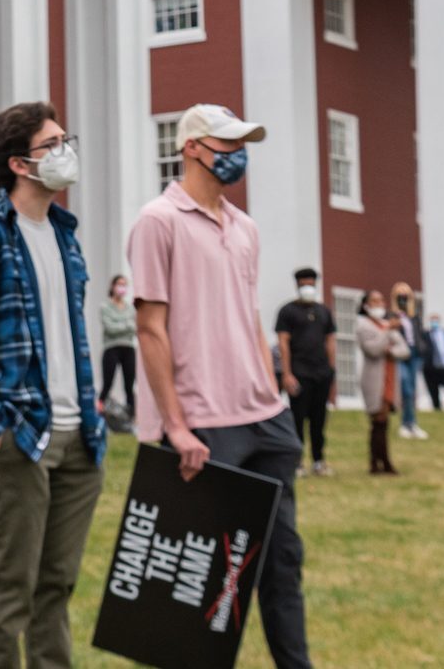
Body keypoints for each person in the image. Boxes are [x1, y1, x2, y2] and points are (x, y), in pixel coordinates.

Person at [128, 103, 312, 668]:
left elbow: (249, 316)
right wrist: (175, 426)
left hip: (265, 418)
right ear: (191, 148)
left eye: (242, 144)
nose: (237, 155)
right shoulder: (157, 221)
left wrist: (274, 394)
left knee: (282, 565)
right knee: (203, 582)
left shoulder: (246, 228)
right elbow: (149, 329)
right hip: (204, 423)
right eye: (226, 144)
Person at [0, 101, 107, 669]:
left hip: (79, 436)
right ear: (18, 163)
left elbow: (70, 337)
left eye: (67, 138)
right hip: (19, 438)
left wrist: (92, 410)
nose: (67, 151)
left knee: (56, 585)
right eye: (53, 143)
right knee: (12, 586)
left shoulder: (66, 237)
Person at [275, 268, 337, 475]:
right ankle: (298, 462)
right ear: (298, 285)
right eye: (304, 285)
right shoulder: (287, 311)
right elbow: (283, 342)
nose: (307, 288)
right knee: (298, 419)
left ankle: (319, 460)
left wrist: (331, 369)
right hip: (299, 373)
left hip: (321, 373)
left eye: (311, 284)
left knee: (319, 420)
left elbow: (330, 340)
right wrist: (287, 373)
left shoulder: (323, 311)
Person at [355, 290, 409, 476]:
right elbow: (373, 349)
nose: (379, 304)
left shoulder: (386, 324)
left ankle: (382, 461)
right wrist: (387, 333)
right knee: (377, 420)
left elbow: (404, 350)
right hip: (374, 380)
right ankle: (378, 463)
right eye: (374, 301)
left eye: (381, 300)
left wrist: (390, 350)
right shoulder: (363, 325)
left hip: (389, 378)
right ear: (366, 304)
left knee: (384, 422)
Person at [97, 275, 138, 424]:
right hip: (111, 349)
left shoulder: (130, 308)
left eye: (125, 285)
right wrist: (127, 324)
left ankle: (131, 418)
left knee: (129, 385)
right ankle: (98, 414)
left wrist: (120, 324)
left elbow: (135, 327)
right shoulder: (105, 306)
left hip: (128, 348)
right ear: (113, 286)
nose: (122, 288)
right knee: (107, 384)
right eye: (119, 284)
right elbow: (110, 328)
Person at [391, 282, 427, 440]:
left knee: (412, 391)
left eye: (405, 295)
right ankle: (406, 424)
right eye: (400, 295)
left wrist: (422, 349)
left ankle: (412, 424)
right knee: (406, 388)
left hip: (414, 354)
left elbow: (420, 335)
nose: (403, 298)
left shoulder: (414, 317)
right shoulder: (392, 316)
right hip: (400, 354)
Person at [419, 313, 444, 412]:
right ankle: (437, 410)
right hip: (431, 370)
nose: (434, 323)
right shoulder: (425, 335)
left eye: (436, 320)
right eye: (432, 320)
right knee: (434, 394)